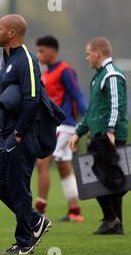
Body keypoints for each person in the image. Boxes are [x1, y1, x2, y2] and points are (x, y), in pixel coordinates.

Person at [0, 14, 51, 255]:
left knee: (18, 187)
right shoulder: (7, 58)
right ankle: (35, 221)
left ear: (11, 33)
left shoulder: (26, 59)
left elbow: (32, 98)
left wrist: (18, 133)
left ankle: (25, 242)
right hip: (4, 133)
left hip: (20, 136)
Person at [69, 37, 128, 235]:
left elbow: (116, 105)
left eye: (88, 54)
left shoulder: (111, 75)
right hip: (99, 134)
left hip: (108, 135)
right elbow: (93, 110)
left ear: (98, 53)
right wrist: (78, 132)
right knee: (109, 178)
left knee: (97, 177)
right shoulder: (99, 76)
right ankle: (115, 223)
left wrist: (110, 131)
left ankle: (111, 219)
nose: (86, 58)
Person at [35, 36, 87, 222]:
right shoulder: (47, 73)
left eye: (42, 51)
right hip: (56, 125)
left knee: (42, 162)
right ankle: (75, 211)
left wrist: (87, 121)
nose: (39, 54)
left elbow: (78, 95)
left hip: (64, 125)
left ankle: (39, 211)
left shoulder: (66, 71)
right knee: (64, 167)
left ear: (52, 51)